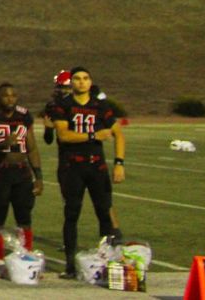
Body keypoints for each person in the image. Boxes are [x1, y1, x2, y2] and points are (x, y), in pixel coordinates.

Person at [48, 67, 125, 279]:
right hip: (73, 166)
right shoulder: (63, 105)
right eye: (77, 79)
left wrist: (119, 163)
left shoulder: (100, 106)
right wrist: (93, 136)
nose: (81, 82)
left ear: (90, 82)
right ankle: (70, 264)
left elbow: (118, 134)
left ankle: (106, 259)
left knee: (104, 212)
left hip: (96, 166)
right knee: (72, 214)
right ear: (71, 82)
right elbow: (64, 135)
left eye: (85, 78)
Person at [0, 83, 43, 275]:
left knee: (24, 218)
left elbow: (32, 147)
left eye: (13, 95)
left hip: (22, 172)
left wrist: (38, 177)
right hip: (0, 173)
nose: (10, 99)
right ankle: (0, 260)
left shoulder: (24, 116)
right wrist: (2, 143)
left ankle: (26, 257)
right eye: (5, 96)